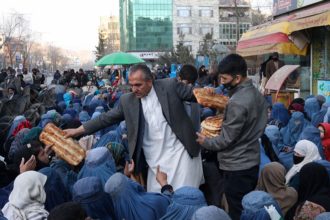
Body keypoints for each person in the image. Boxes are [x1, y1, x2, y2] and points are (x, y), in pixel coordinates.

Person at [64, 64, 204, 192]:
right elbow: (105, 118)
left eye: (138, 85)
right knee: (160, 198)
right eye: (131, 85)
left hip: (181, 152)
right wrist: (77, 131)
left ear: (150, 81)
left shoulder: (169, 85)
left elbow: (196, 95)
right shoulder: (127, 101)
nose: (134, 89)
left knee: (186, 196)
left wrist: (216, 96)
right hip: (154, 161)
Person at [196, 54, 268, 220]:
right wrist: (214, 97)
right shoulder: (255, 93)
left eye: (224, 78)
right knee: (246, 205)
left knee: (237, 210)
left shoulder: (238, 102)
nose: (221, 82)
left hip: (236, 165)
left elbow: (226, 139)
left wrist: (205, 141)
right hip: (250, 159)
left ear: (237, 77)